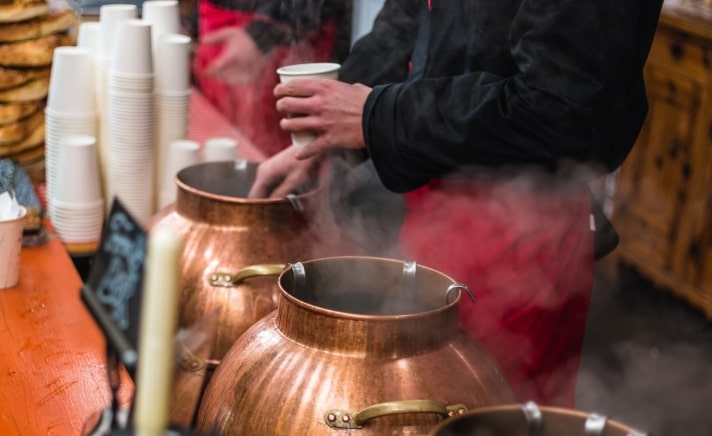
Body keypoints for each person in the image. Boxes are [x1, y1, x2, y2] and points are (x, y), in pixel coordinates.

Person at [249, 0, 665, 408]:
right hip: (428, 207)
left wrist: (376, 117)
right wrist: (331, 129)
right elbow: (409, 18)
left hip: (518, 239)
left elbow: (562, 110)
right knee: (410, 414)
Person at [191, 0, 350, 156]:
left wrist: (260, 35)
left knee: (288, 154)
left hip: (287, 32)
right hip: (216, 20)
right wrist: (193, 28)